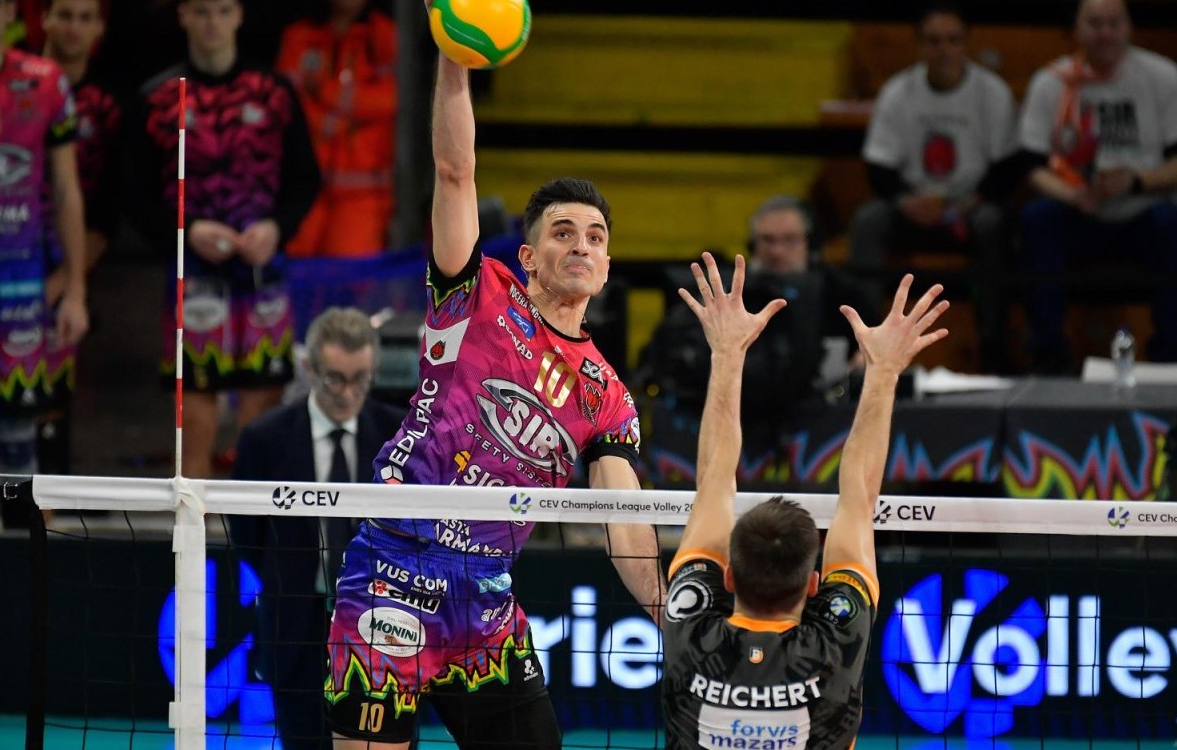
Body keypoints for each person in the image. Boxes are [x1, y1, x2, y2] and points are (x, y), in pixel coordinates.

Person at [323, 47, 665, 750]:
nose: (582, 246)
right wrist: (454, 58)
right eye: (563, 233)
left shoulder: (606, 395)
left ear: (606, 268)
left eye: (596, 237)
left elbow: (624, 517)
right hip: (392, 564)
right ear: (528, 256)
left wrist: (665, 612)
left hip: (485, 602)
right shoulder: (477, 294)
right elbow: (455, 171)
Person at [662, 257, 949, 750]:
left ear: (728, 577)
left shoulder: (691, 632)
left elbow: (713, 481)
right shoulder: (835, 644)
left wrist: (726, 353)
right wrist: (883, 371)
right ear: (813, 586)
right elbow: (859, 497)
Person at [131, 0, 321, 479]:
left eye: (221, 11)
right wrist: (187, 230)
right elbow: (131, 196)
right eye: (201, 11)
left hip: (262, 275)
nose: (212, 22)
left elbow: (306, 179)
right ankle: (191, 523)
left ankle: (252, 525)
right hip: (192, 277)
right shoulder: (157, 97)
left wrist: (276, 227)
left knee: (260, 423)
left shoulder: (274, 92)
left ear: (239, 15)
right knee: (195, 424)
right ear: (182, 16)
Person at [231, 307, 404, 750]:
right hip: (296, 629)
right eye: (335, 379)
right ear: (309, 369)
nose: (348, 394)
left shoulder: (399, 436)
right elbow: (247, 537)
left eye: (360, 379)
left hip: (385, 628)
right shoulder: (263, 439)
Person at [1017, 0, 1177, 371]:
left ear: (1129, 27)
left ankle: (1169, 358)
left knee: (1172, 225)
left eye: (1113, 23)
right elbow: (1031, 166)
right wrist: (1074, 195)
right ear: (1075, 30)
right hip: (1077, 209)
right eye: (1094, 23)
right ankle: (1048, 357)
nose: (1105, 33)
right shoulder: (1052, 81)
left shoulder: (1163, 76)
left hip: (1142, 210)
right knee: (1037, 219)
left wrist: (1135, 182)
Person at [849, 1, 1016, 373]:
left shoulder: (992, 93)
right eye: (934, 41)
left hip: (969, 209)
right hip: (912, 208)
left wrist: (967, 203)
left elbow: (1006, 170)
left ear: (966, 43)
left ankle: (993, 345)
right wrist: (905, 201)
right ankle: (863, 343)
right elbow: (878, 167)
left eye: (952, 40)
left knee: (994, 223)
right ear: (920, 45)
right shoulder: (897, 92)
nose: (944, 50)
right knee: (869, 220)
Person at [0, 0, 88, 523]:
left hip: (20, 282)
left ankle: (26, 556)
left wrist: (76, 289)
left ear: (11, 14)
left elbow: (66, 190)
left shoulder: (45, 82)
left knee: (20, 433)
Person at [638, 196, 876, 450]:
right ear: (753, 244)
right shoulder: (727, 294)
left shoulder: (841, 293)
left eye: (789, 240)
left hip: (821, 424)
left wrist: (866, 360)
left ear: (810, 243)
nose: (777, 251)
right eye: (768, 240)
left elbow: (873, 343)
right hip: (725, 419)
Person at [34, 0, 121, 478]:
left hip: (79, 265)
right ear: (42, 19)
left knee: (50, 411)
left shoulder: (109, 105)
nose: (73, 27)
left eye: (85, 17)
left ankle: (46, 515)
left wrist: (67, 282)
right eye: (64, 14)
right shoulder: (13, 87)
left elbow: (108, 209)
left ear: (100, 27)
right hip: (3, 259)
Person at [276, 0, 396, 257]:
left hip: (363, 192)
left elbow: (392, 101)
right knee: (295, 269)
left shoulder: (386, 35)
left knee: (352, 276)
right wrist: (342, 119)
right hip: (304, 186)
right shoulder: (299, 37)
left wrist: (324, 92)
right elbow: (286, 102)